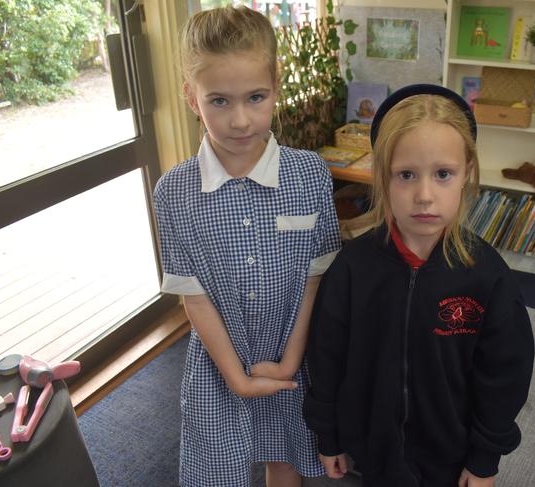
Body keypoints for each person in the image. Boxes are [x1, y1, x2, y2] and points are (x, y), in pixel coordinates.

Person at [303, 84, 535, 487]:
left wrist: (485, 457)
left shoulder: (487, 275)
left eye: (443, 174)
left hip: (452, 456)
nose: (424, 195)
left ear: (466, 175)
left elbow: (505, 374)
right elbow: (326, 358)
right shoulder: (352, 268)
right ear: (383, 177)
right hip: (370, 450)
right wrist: (329, 435)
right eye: (406, 174)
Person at [153, 6, 341, 487]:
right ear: (191, 98)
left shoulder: (311, 175)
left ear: (276, 85)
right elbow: (193, 295)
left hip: (293, 351)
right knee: (220, 465)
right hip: (218, 362)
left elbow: (316, 279)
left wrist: (291, 361)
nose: (240, 121)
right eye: (219, 101)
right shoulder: (173, 193)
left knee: (286, 455)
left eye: (256, 97)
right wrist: (235, 376)